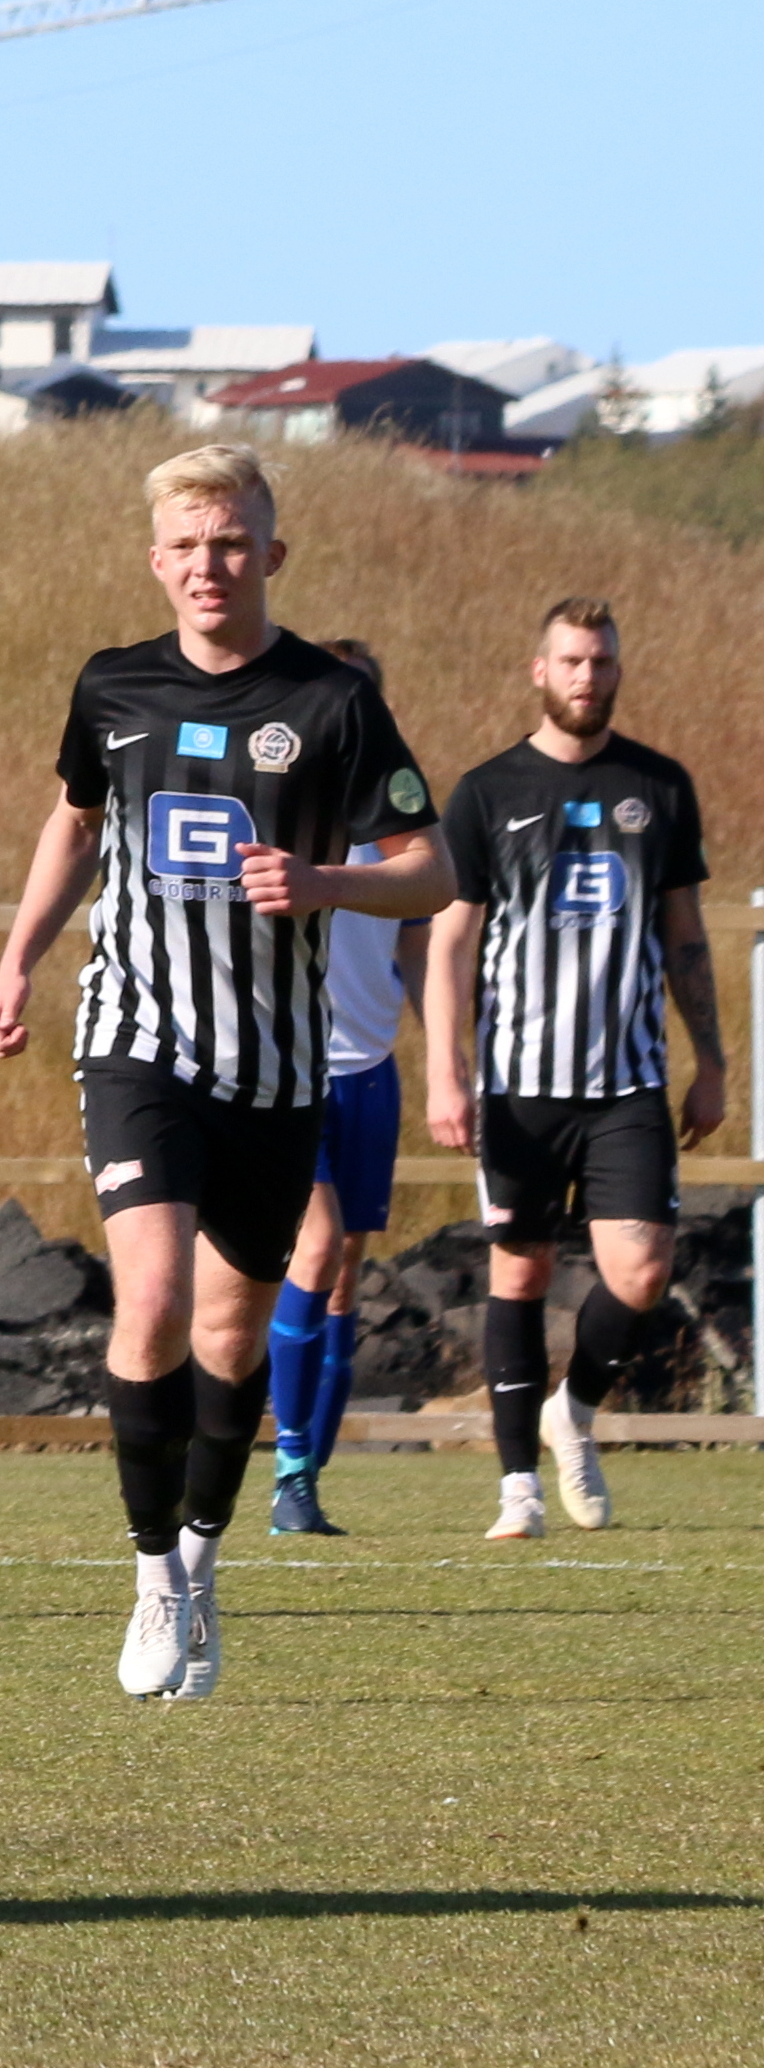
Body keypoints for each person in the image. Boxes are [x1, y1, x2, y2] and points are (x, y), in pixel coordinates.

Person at [0, 445, 451, 1701]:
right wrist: (18, 956)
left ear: (270, 553)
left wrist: (327, 880)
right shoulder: (111, 685)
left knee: (232, 1331)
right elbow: (75, 821)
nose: (209, 565)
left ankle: (198, 1557)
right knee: (148, 1298)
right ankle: (149, 1577)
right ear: (156, 560)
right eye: (187, 545)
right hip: (136, 1042)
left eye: (231, 542)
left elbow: (434, 869)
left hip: (277, 1066)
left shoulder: (332, 701)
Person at [422, 598, 725, 1540]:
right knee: (519, 1271)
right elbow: (450, 942)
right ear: (538, 670)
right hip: (518, 1084)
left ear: (616, 670)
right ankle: (517, 1485)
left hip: (627, 1083)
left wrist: (712, 1062)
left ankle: (574, 1410)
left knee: (641, 1270)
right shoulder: (486, 791)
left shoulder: (658, 786)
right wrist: (444, 1069)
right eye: (570, 661)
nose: (585, 676)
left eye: (599, 661)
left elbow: (685, 936)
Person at [261, 638, 433, 1536]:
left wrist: (444, 1059)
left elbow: (419, 936)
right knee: (315, 1246)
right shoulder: (280, 803)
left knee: (343, 1275)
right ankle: (287, 1467)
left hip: (369, 1070)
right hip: (289, 1068)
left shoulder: (398, 815)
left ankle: (305, 1479)